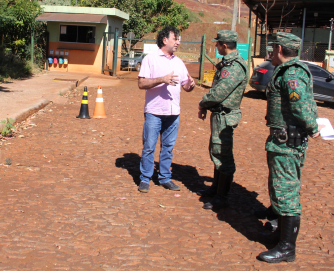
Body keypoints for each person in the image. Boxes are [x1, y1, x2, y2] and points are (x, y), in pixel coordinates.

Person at [257, 32, 321, 263]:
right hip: (282, 141)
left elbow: (299, 106)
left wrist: (313, 127)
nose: (271, 53)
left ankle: (287, 248)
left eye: (273, 49)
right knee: (280, 189)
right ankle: (281, 236)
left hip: (287, 143)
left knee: (286, 192)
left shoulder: (292, 74)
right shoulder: (287, 71)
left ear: (281, 50)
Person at [137, 26, 195, 193]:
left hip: (173, 113)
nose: (178, 42)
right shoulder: (151, 59)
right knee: (149, 146)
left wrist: (191, 85)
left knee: (168, 147)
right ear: (164, 40)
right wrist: (162, 79)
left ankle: (164, 178)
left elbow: (186, 85)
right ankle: (145, 179)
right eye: (175, 39)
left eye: (178, 39)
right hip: (154, 111)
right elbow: (141, 83)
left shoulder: (178, 62)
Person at [197, 30, 248, 210]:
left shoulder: (234, 66)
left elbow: (220, 92)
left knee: (223, 154)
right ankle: (216, 188)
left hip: (226, 116)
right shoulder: (228, 63)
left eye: (218, 44)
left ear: (224, 45)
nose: (216, 46)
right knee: (217, 151)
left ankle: (222, 196)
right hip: (219, 114)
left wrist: (203, 102)